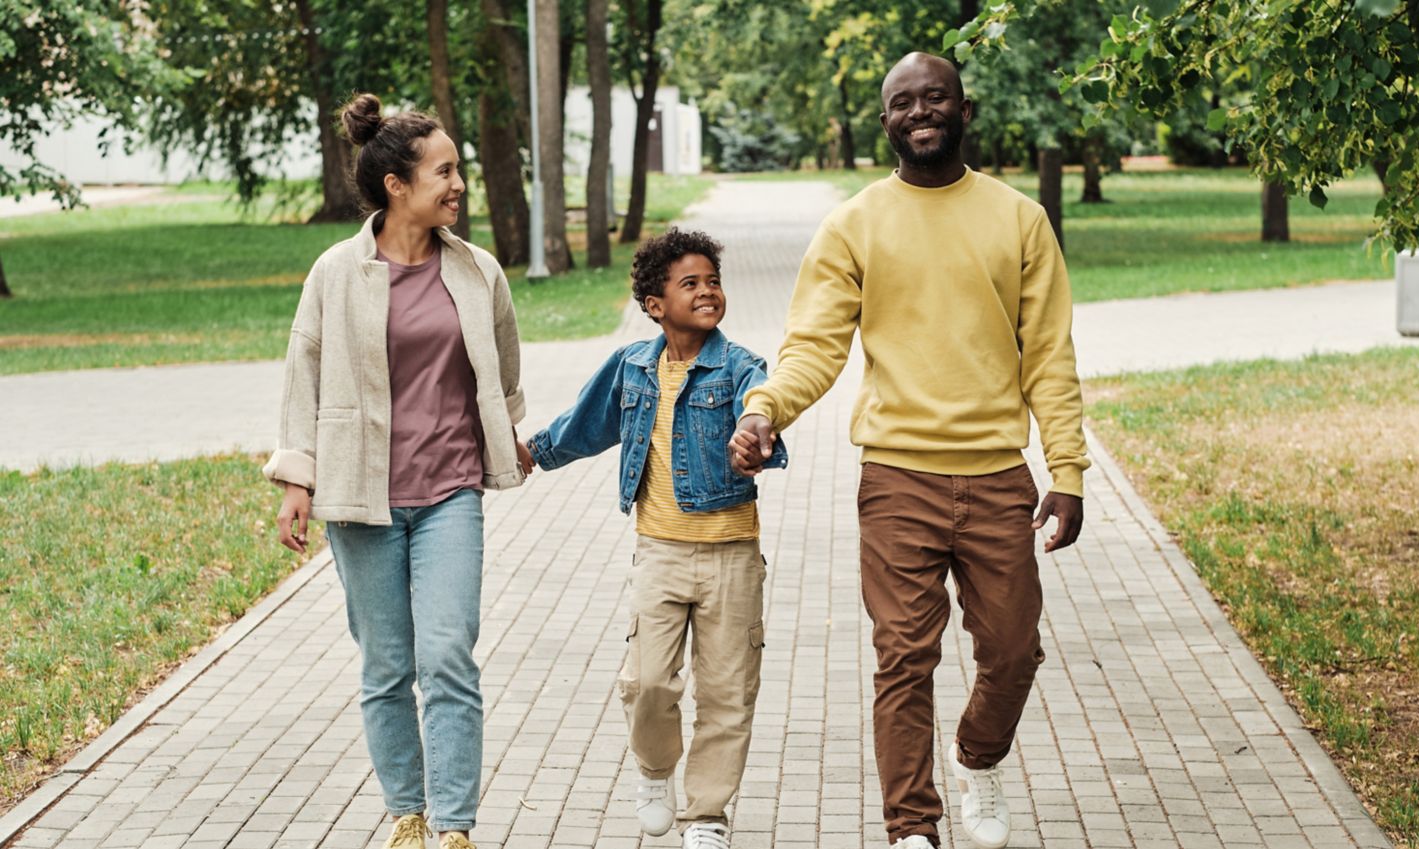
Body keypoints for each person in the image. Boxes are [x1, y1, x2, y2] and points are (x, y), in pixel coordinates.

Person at [729, 52, 1090, 849]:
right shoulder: (854, 224)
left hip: (998, 476)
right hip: (897, 478)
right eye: (902, 102)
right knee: (903, 656)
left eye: (934, 99)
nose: (919, 112)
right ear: (885, 121)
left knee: (1012, 650)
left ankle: (977, 757)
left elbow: (1049, 357)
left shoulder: (1018, 218)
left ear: (965, 112)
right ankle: (911, 828)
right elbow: (813, 346)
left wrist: (1066, 471)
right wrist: (766, 412)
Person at [264, 92, 531, 849]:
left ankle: (453, 825)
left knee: (446, 652)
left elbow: (501, 367)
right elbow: (302, 375)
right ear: (396, 185)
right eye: (444, 172)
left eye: (459, 171)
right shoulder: (335, 272)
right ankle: (406, 814)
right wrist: (296, 477)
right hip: (361, 496)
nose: (458, 184)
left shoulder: (478, 272)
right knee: (386, 665)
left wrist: (505, 430)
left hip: (449, 491)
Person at [520, 229, 787, 849]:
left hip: (732, 558)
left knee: (727, 694)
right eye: (688, 283)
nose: (706, 292)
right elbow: (584, 425)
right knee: (646, 685)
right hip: (660, 553)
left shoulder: (742, 365)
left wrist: (755, 436)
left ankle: (708, 816)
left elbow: (762, 407)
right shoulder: (632, 367)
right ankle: (654, 769)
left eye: (713, 281)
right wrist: (531, 452)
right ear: (653, 304)